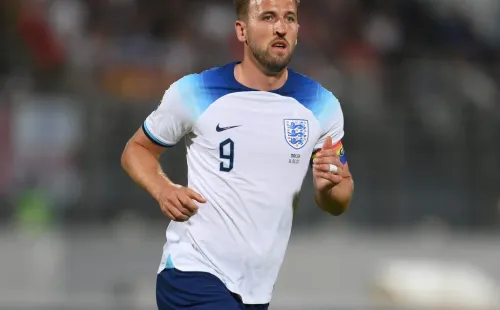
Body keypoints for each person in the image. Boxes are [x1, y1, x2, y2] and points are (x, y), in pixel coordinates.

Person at [121, 0, 354, 309]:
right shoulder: (195, 92)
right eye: (268, 17)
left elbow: (341, 194)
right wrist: (163, 188)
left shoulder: (322, 106)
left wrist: (329, 190)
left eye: (289, 18)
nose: (280, 27)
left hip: (256, 291)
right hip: (192, 274)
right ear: (242, 30)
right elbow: (136, 150)